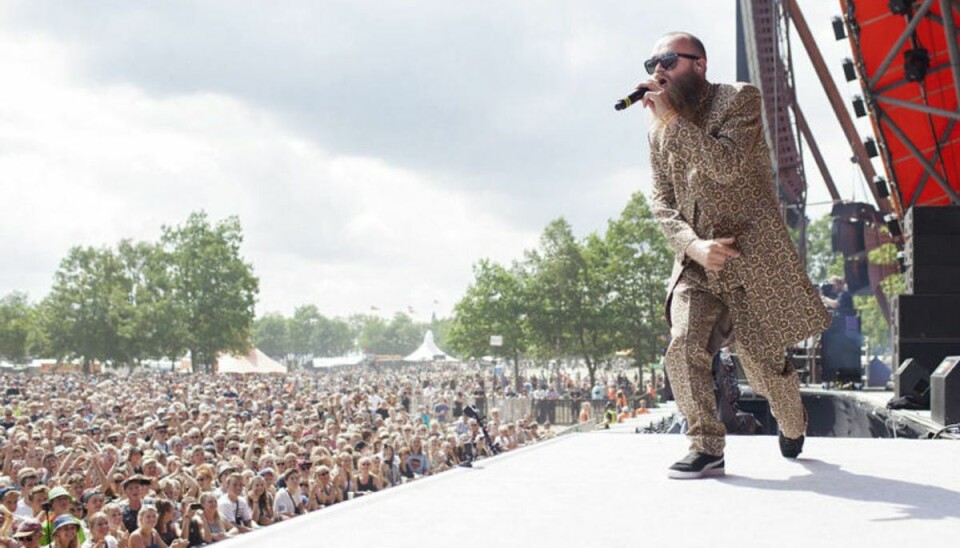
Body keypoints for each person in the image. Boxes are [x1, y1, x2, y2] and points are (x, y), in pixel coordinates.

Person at [641, 31, 830, 478]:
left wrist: (670, 122)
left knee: (766, 371)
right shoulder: (659, 132)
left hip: (751, 260)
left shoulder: (738, 100)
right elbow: (661, 201)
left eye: (667, 60)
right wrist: (693, 246)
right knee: (683, 345)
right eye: (651, 65)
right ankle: (706, 445)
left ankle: (792, 421)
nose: (657, 71)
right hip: (698, 262)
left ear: (699, 64)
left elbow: (724, 165)